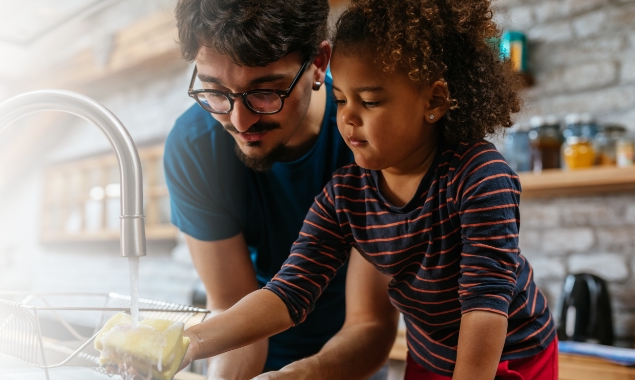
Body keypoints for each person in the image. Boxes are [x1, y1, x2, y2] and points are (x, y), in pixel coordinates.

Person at [175, 0, 559, 379]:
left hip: (513, 353)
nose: (346, 118)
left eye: (370, 101)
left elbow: (484, 305)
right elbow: (287, 292)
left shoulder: (479, 176)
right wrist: (185, 343)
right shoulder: (346, 194)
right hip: (430, 356)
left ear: (435, 101)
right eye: (340, 99)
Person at [164, 0, 399, 378]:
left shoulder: (368, 143)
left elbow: (369, 322)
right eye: (216, 91)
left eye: (266, 93)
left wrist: (294, 376)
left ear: (319, 63)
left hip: (350, 358)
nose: (239, 121)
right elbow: (230, 302)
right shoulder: (193, 147)